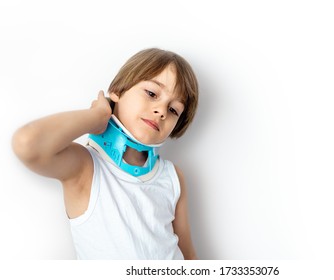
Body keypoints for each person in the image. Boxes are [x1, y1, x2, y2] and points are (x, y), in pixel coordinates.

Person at [12, 48, 199, 260]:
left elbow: (188, 254)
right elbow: (27, 143)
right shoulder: (85, 168)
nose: (162, 111)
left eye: (173, 109)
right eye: (151, 93)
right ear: (117, 91)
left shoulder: (173, 176)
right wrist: (97, 115)